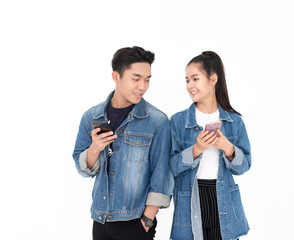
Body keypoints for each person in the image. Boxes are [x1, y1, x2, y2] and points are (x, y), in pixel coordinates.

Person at [73, 46, 173, 240]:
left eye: (147, 80)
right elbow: (83, 168)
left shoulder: (157, 121)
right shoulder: (91, 117)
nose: (142, 86)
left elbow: (162, 176)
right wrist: (95, 148)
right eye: (136, 79)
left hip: (136, 222)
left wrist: (147, 221)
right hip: (100, 219)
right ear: (116, 77)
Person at [169, 51, 251, 240]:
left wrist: (228, 149)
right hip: (191, 199)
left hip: (222, 198)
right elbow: (169, 167)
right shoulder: (178, 121)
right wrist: (196, 150)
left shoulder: (234, 121)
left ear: (213, 79)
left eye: (195, 79)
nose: (190, 86)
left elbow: (244, 166)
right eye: (187, 80)